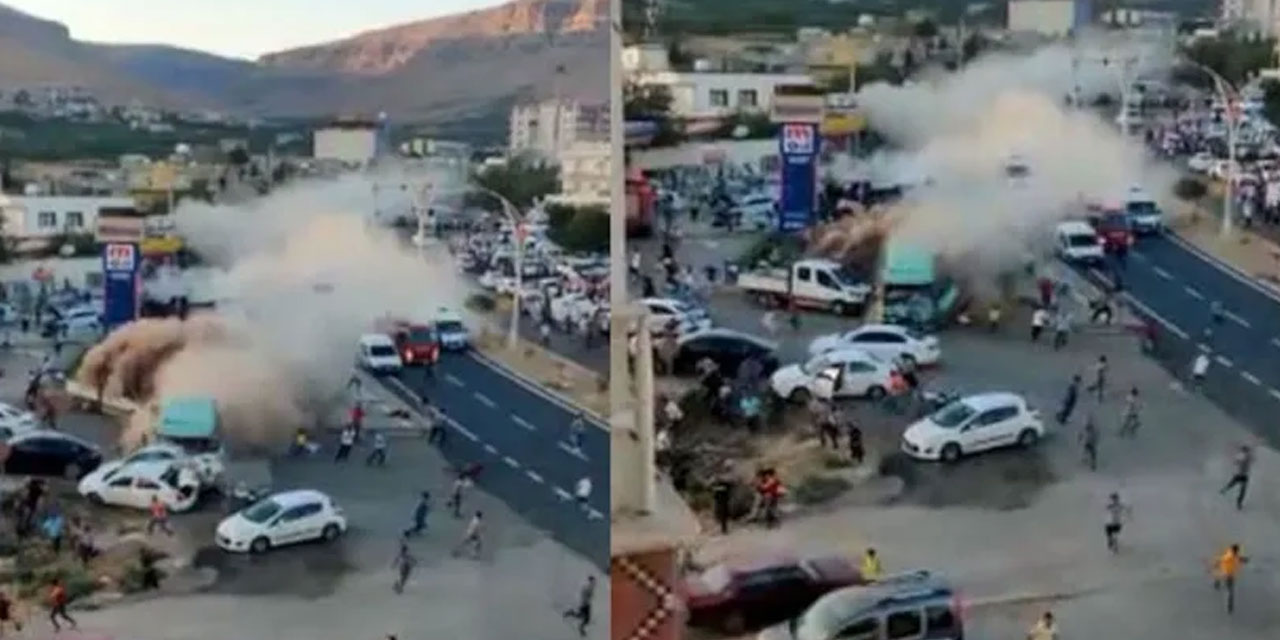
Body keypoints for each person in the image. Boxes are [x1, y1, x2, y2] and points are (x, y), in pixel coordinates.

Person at [1213, 543, 1248, 614]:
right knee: (1230, 591)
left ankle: (1217, 583)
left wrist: (1244, 560)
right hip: (1228, 575)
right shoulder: (1229, 556)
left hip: (1228, 574)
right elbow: (1222, 560)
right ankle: (1229, 607)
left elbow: (1238, 558)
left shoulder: (1232, 554)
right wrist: (1216, 564)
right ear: (1235, 550)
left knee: (1229, 589)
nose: (1238, 551)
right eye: (1237, 550)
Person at [1220, 445, 1254, 510]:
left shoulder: (1244, 456)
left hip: (1241, 475)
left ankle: (1225, 491)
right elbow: (1237, 461)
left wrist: (1237, 462)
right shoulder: (1244, 456)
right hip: (1242, 475)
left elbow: (1236, 461)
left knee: (1237, 487)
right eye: (1246, 450)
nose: (1246, 452)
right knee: (1240, 489)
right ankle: (1238, 502)